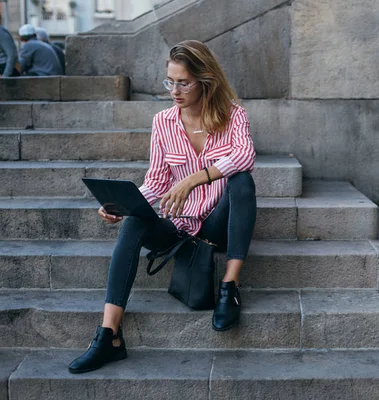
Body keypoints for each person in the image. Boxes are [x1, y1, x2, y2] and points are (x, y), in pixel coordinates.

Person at [68, 40, 257, 374]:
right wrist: (122, 205)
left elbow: (244, 156)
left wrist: (194, 179)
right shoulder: (163, 123)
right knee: (133, 221)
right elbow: (156, 181)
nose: (174, 90)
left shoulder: (232, 115)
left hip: (216, 223)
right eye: (170, 81)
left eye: (183, 82)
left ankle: (230, 285)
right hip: (178, 225)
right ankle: (108, 336)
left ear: (205, 80)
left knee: (242, 181)